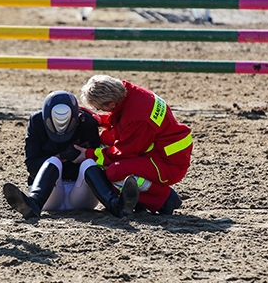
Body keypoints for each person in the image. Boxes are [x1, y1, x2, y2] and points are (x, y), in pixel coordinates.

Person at [3, 90, 139, 218]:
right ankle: (33, 203)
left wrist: (85, 155)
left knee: (89, 162)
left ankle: (116, 205)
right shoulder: (36, 121)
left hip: (81, 195)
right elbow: (31, 166)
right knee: (52, 161)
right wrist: (60, 157)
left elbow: (98, 163)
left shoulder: (87, 123)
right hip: (48, 197)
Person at [75, 75, 193, 216]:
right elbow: (124, 121)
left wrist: (88, 154)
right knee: (105, 143)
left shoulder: (139, 118)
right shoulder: (129, 93)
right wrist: (101, 120)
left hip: (168, 164)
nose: (100, 110)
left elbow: (123, 152)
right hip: (163, 152)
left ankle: (165, 198)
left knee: (115, 172)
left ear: (111, 104)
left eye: (100, 108)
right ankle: (142, 202)